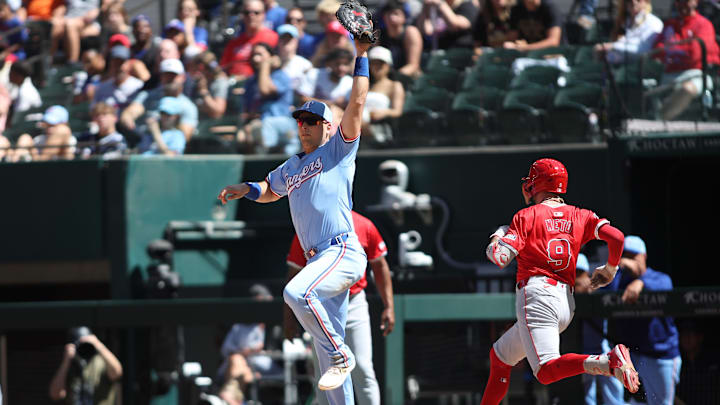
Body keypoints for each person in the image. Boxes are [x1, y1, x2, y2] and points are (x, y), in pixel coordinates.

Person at [217, 30, 373, 404]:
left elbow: (358, 101)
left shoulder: (338, 150)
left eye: (311, 121)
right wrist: (246, 189)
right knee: (328, 371)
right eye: (300, 121)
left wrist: (361, 54)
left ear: (327, 127)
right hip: (321, 258)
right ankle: (337, 363)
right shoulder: (292, 165)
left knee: (295, 292)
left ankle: (342, 352)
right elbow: (271, 190)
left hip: (341, 250)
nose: (303, 126)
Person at [480, 158, 640, 405]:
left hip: (537, 296)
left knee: (545, 371)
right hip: (565, 302)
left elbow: (499, 257)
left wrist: (497, 236)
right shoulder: (581, 215)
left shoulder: (526, 216)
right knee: (500, 357)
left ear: (537, 184)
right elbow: (617, 238)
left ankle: (608, 363)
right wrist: (610, 269)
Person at [285, 210, 395, 405]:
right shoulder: (309, 228)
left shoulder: (363, 224)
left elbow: (380, 266)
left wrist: (389, 306)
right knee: (326, 372)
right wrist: (289, 319)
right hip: (322, 306)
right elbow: (294, 273)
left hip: (354, 302)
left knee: (362, 367)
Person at [607, 235, 681, 405]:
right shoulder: (619, 281)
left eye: (633, 255)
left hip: (660, 355)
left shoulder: (658, 277)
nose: (629, 260)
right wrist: (616, 267)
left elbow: (665, 286)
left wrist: (641, 282)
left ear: (644, 256)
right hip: (631, 355)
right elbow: (604, 291)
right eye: (624, 255)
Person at [652, 0, 720, 120]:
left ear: (695, 3)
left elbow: (695, 55)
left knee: (687, 89)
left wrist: (671, 49)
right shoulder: (670, 25)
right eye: (679, 1)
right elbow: (656, 51)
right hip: (669, 75)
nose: (682, 4)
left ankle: (659, 120)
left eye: (686, 1)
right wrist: (681, 49)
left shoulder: (703, 24)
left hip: (698, 74)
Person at [217, 284, 282, 405]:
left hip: (268, 369)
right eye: (259, 303)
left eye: (266, 303)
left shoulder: (276, 325)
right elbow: (226, 350)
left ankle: (233, 397)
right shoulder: (241, 327)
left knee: (238, 362)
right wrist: (247, 352)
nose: (263, 308)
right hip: (242, 366)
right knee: (237, 360)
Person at [575, 253, 625, 405]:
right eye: (572, 273)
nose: (576, 278)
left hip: (602, 349)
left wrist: (591, 287)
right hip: (578, 351)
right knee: (586, 398)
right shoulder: (562, 292)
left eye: (579, 273)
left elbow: (614, 284)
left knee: (614, 397)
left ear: (587, 274)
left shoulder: (597, 289)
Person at [238, 42, 297, 154]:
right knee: (243, 136)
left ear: (271, 57)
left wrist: (265, 65)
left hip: (281, 121)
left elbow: (265, 90)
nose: (255, 59)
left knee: (264, 126)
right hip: (261, 123)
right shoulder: (251, 81)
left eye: (260, 55)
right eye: (253, 55)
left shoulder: (280, 75)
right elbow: (247, 110)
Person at [48, 326, 123, 404]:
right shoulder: (70, 365)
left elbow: (117, 373)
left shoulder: (101, 361)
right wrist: (66, 362)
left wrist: (98, 345)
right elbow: (56, 394)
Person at [220, 0, 278, 80]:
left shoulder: (273, 38)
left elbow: (277, 63)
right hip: (233, 84)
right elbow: (224, 67)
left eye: (256, 12)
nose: (251, 15)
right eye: (247, 13)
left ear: (264, 14)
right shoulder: (234, 43)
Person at [594, 0, 663, 64]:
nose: (633, 2)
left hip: (640, 71)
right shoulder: (624, 22)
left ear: (646, 1)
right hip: (621, 71)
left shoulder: (654, 22)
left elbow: (643, 50)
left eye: (638, 0)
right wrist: (604, 54)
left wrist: (613, 46)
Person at [363, 46, 404, 146]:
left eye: (381, 64)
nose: (377, 67)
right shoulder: (365, 85)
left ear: (388, 66)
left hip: (380, 129)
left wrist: (383, 113)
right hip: (360, 127)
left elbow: (397, 111)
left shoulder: (394, 85)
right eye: (374, 63)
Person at [378, 0, 423, 79]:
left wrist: (392, 78)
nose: (392, 18)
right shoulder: (379, 34)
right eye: (389, 14)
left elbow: (413, 65)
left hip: (408, 78)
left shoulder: (411, 32)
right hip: (386, 77)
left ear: (404, 17)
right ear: (384, 17)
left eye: (396, 14)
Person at [92, 45, 145, 110]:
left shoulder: (138, 86)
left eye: (121, 63)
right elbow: (93, 110)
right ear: (110, 64)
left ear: (129, 63)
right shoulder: (102, 87)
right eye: (115, 63)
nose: (118, 67)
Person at [188, 50, 229, 119]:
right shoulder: (198, 82)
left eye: (194, 69)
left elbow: (218, 111)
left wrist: (204, 91)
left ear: (201, 67)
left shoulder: (220, 83)